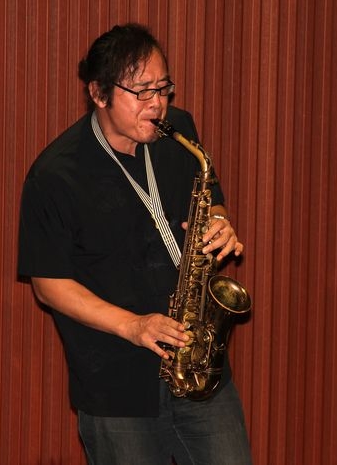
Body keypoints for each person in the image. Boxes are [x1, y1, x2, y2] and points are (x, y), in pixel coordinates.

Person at [17, 23, 252, 465]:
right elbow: (48, 285)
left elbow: (212, 199)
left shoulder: (178, 131)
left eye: (163, 88)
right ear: (99, 93)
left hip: (198, 364)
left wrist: (220, 222)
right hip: (117, 385)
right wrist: (134, 326)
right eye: (141, 92)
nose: (157, 103)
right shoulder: (55, 176)